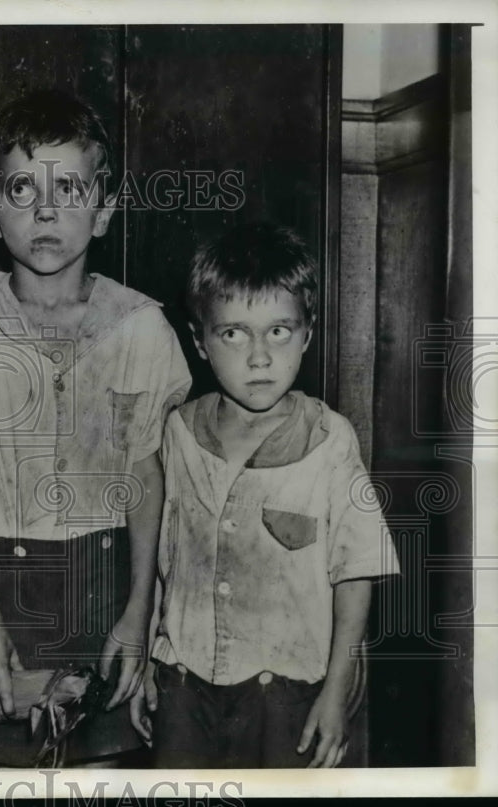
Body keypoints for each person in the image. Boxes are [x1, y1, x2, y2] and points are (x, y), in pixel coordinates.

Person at [0, 90, 191, 765]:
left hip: (107, 594)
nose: (46, 210)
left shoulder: (140, 328)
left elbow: (145, 474)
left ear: (103, 211)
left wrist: (140, 612)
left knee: (104, 764)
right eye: (22, 188)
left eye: (69, 187)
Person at [136, 221, 400, 768]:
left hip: (288, 696)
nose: (259, 357)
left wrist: (337, 690)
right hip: (184, 688)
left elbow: (357, 573)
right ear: (199, 341)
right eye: (233, 333)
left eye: (278, 332)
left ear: (306, 333)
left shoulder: (330, 440)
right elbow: (166, 566)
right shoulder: (179, 434)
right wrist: (145, 664)